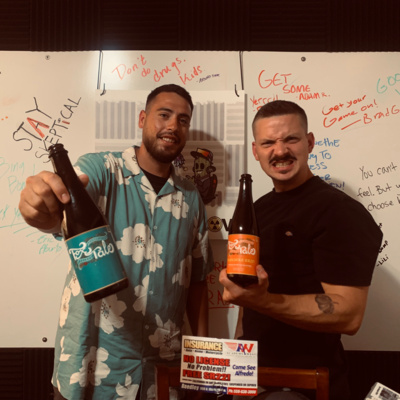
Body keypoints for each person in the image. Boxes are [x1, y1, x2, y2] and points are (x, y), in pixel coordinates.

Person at [19, 84, 214, 400]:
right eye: (164, 115)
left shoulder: (192, 198)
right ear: (142, 119)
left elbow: (198, 283)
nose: (173, 126)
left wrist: (203, 362)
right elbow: (61, 212)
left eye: (183, 120)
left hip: (161, 370)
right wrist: (42, 211)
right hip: (89, 365)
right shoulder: (100, 169)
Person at [219, 100, 383, 400]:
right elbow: (247, 301)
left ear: (309, 142)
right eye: (268, 143)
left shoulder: (339, 211)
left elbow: (349, 315)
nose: (280, 151)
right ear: (255, 151)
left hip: (310, 387)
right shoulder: (257, 210)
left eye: (291, 139)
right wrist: (238, 370)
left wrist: (263, 301)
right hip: (254, 381)